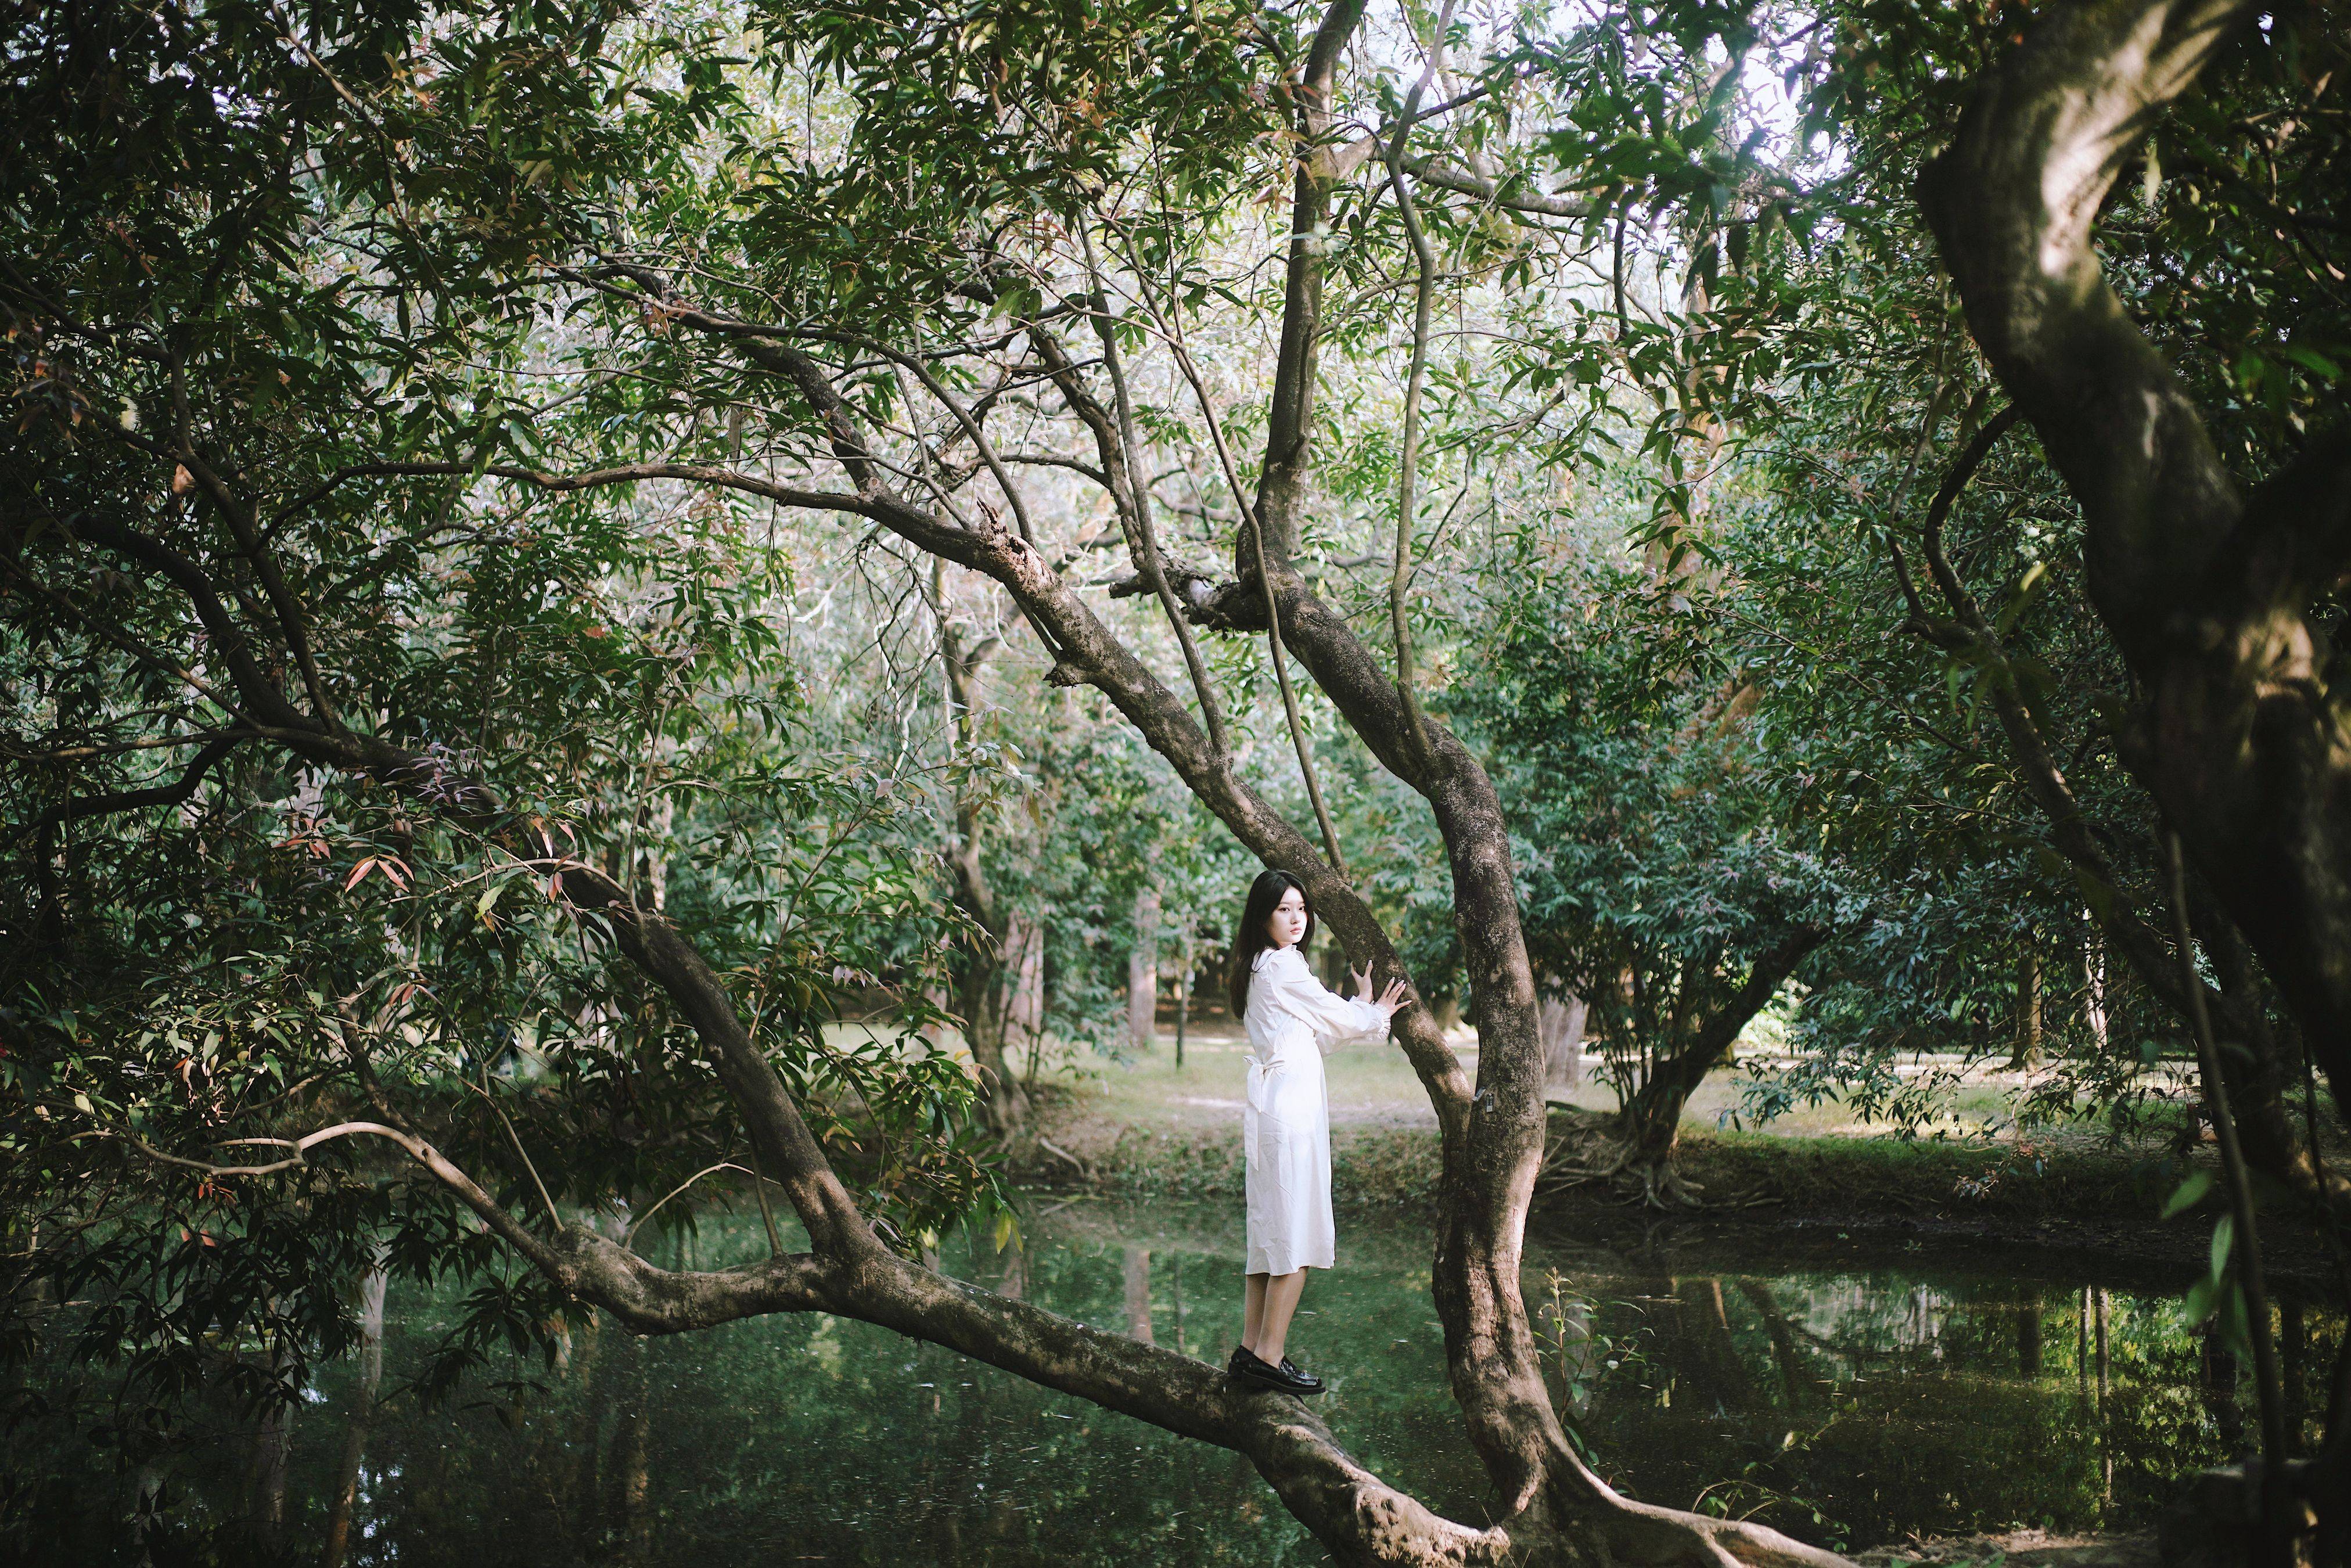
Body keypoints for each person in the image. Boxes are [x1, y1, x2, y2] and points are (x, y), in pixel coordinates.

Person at [1223, 868, 1411, 1396]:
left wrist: (1361, 1010)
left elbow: (1318, 1031)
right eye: (1284, 909)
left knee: (1269, 1239)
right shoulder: (1282, 966)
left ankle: (1250, 1350)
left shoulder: (1263, 967)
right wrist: (1374, 1012)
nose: (1297, 918)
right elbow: (1337, 1018)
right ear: (1263, 917)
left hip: (1275, 1111)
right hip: (1289, 1117)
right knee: (1295, 1241)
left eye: (1301, 908)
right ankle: (1270, 1357)